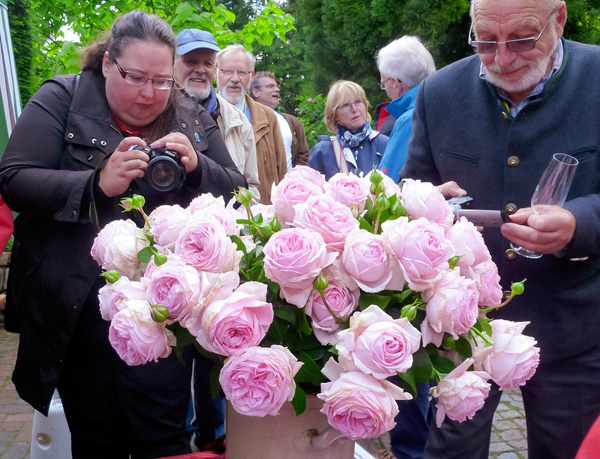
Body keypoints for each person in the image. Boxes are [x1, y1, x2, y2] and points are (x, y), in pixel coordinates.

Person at [0, 11, 246, 459]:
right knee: (96, 436)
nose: (149, 93)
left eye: (162, 80)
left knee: (163, 435)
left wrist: (197, 169)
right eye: (135, 77)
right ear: (108, 63)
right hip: (79, 307)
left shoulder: (188, 113)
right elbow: (14, 177)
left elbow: (240, 191)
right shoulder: (63, 97)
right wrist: (94, 183)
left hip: (164, 310)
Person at [400, 1, 600, 458]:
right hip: (464, 329)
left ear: (560, 19)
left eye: (523, 39)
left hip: (573, 325)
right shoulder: (439, 92)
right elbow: (410, 192)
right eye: (485, 40)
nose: (503, 59)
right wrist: (427, 203)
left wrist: (579, 222)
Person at [174, 29, 261, 202]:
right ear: (171, 64)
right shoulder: (154, 112)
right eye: (191, 61)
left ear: (215, 69)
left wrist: (231, 223)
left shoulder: (237, 120)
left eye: (207, 63)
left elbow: (251, 188)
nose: (200, 70)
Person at [216, 44, 286, 204]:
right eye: (227, 71)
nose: (235, 79)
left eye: (241, 72)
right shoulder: (202, 113)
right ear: (216, 72)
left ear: (251, 75)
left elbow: (280, 169)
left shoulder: (267, 117)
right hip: (217, 218)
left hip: (262, 218)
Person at [376, 35, 436, 183]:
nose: (386, 89)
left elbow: (385, 186)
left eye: (384, 84)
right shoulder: (452, 106)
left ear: (396, 84)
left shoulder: (410, 120)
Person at [307, 80, 388, 180]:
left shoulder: (385, 144)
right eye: (345, 105)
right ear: (334, 115)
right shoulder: (323, 152)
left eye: (358, 102)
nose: (354, 109)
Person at [249, 71, 309, 171]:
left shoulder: (292, 122)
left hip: (288, 184)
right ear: (255, 92)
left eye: (276, 86)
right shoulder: (245, 120)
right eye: (270, 86)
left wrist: (295, 178)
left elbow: (303, 155)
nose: (277, 89)